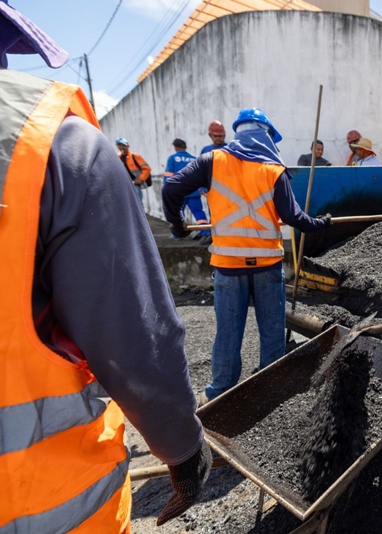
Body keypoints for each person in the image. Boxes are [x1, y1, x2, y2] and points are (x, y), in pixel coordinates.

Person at [0, 1, 211, 531]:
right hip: (39, 507)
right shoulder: (57, 149)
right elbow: (137, 335)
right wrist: (183, 449)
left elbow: (156, 182)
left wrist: (157, 200)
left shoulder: (155, 161)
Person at [162, 107, 332, 402]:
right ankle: (271, 383)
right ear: (266, 134)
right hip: (267, 265)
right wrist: (322, 224)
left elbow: (171, 189)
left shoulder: (210, 161)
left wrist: (178, 226)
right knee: (271, 330)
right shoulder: (273, 169)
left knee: (228, 332)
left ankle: (220, 392)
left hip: (228, 267)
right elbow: (294, 218)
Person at [165, 138, 211, 244]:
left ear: (176, 147)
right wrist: (202, 189)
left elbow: (168, 176)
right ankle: (205, 232)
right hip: (194, 191)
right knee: (198, 212)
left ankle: (177, 234)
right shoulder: (194, 158)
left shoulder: (172, 158)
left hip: (178, 192)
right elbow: (202, 176)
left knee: (178, 213)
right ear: (185, 147)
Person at [115, 136, 151, 207]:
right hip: (123, 185)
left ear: (128, 146)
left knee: (138, 204)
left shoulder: (135, 156)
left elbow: (146, 168)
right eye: (119, 145)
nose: (122, 147)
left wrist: (140, 179)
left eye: (124, 145)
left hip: (134, 184)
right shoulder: (117, 157)